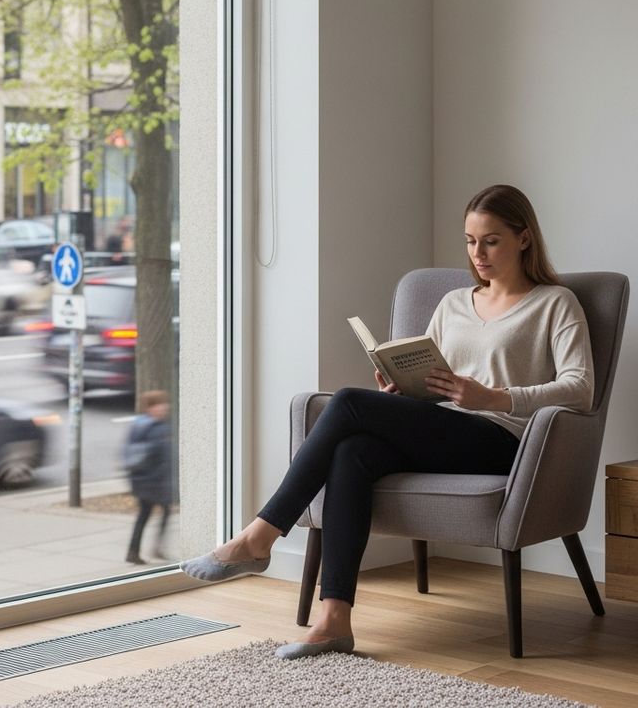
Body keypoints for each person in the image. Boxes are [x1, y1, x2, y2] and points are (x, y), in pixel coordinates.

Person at [181, 184, 594, 660]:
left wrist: (495, 397)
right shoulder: (455, 303)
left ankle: (261, 534)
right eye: (469, 240)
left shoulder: (554, 303)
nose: (477, 253)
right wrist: (401, 391)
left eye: (491, 240)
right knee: (352, 450)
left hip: (506, 441)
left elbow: (580, 389)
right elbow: (434, 378)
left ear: (524, 239)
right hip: (447, 430)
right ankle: (334, 619)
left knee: (349, 404)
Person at [123, 390, 175, 565]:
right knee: (152, 513)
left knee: (148, 514)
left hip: (145, 481)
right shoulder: (155, 428)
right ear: (151, 408)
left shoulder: (140, 425)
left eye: (164, 404)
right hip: (151, 482)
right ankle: (149, 549)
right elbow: (155, 457)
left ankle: (139, 550)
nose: (164, 407)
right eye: (159, 404)